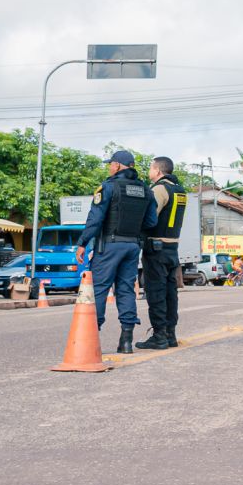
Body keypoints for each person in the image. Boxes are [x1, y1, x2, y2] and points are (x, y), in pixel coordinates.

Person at [76, 150, 157, 354]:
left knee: (99, 288)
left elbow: (95, 219)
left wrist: (83, 243)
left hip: (109, 246)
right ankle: (126, 341)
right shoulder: (146, 190)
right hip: (132, 246)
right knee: (126, 290)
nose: (109, 167)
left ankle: (90, 340)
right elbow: (151, 222)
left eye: (111, 164)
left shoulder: (108, 187)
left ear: (118, 165)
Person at [136, 156, 188, 350]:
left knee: (156, 293)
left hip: (156, 248)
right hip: (172, 248)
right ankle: (170, 335)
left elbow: (149, 217)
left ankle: (159, 337)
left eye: (151, 168)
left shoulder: (159, 189)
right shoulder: (180, 191)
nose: (149, 171)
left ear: (157, 170)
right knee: (170, 293)